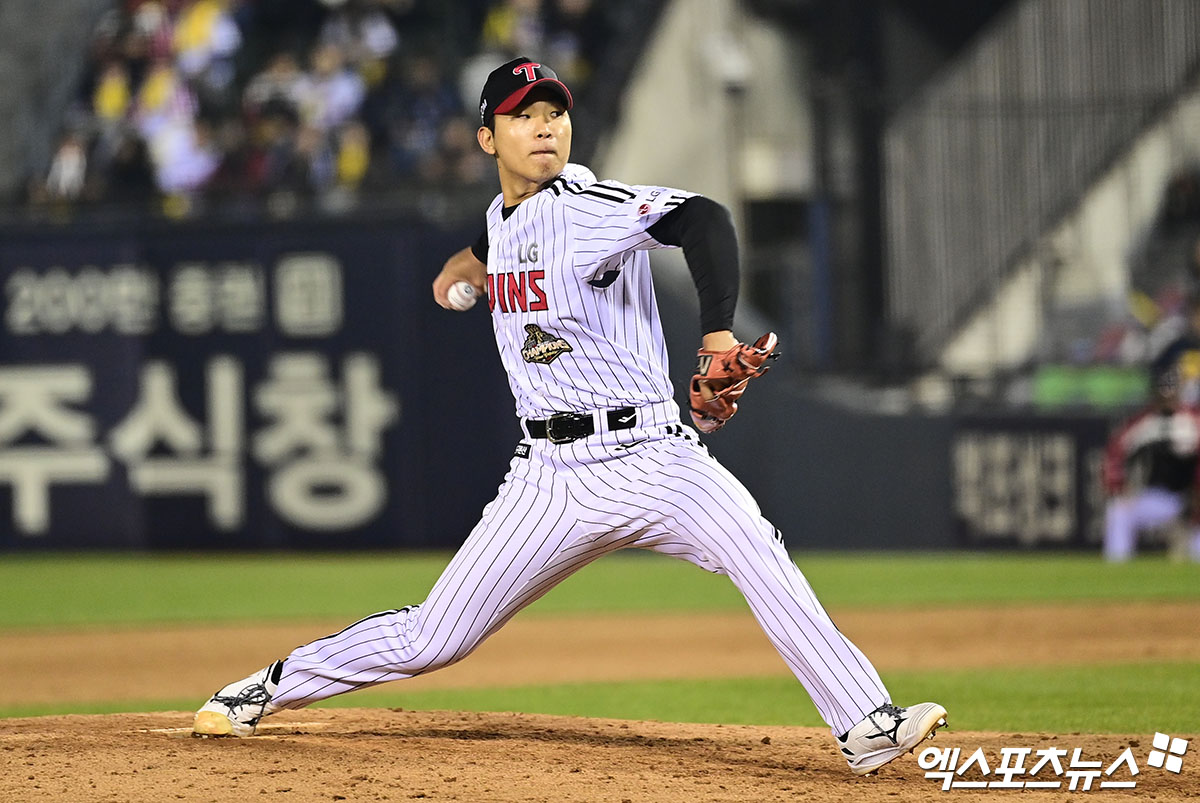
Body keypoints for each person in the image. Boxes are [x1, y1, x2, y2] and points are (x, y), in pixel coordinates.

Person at [193, 57, 947, 776]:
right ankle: (265, 687)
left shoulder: (588, 210)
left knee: (756, 550)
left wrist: (717, 333)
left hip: (653, 457)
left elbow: (703, 219)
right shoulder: (503, 219)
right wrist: (459, 274)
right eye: (524, 116)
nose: (545, 126)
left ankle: (864, 720)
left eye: (554, 112)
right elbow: (484, 246)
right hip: (548, 477)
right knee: (434, 638)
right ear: (488, 139)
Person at [1102, 366, 1200, 562]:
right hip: (1159, 498)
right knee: (1119, 509)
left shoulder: (1194, 421)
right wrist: (1118, 485)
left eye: (1171, 392)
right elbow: (1115, 452)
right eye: (1163, 393)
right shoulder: (1144, 421)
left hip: (1190, 496)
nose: (1167, 399)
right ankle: (1117, 569)